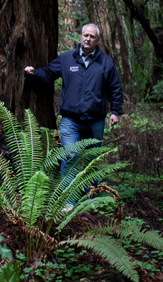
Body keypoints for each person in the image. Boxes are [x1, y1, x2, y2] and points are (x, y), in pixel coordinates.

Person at [25, 23, 123, 200]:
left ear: (97, 40)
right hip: (70, 120)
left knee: (91, 161)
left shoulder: (106, 62)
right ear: (81, 37)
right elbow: (48, 73)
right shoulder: (67, 59)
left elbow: (115, 88)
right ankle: (68, 201)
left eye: (92, 36)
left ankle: (89, 200)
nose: (88, 39)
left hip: (96, 121)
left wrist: (115, 112)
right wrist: (34, 74)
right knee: (70, 158)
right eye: (86, 35)